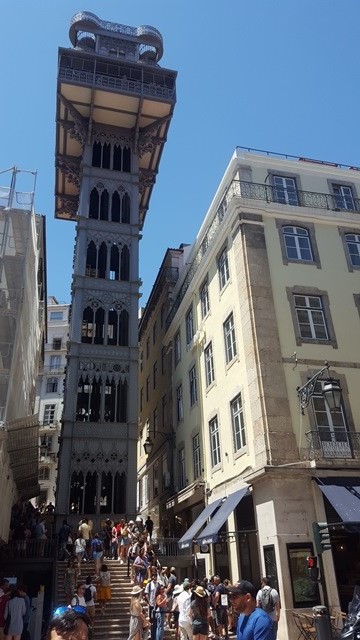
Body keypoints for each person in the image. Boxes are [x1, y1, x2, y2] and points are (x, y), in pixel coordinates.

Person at [144, 574, 159, 639]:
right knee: (150, 618)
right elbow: (146, 593)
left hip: (157, 604)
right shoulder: (149, 584)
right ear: (152, 577)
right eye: (154, 576)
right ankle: (150, 633)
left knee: (156, 619)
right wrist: (149, 602)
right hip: (151, 604)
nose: (155, 577)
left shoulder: (158, 584)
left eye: (156, 576)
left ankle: (155, 633)